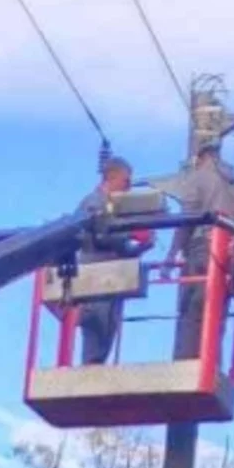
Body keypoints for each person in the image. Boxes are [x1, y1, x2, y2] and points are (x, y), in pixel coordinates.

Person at [148, 138, 234, 360]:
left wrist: (170, 257)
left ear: (200, 156)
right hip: (228, 259)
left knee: (191, 312)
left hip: (200, 252)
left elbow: (188, 219)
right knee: (216, 314)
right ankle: (211, 362)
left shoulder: (199, 178)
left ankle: (186, 363)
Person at [71, 156, 150, 365]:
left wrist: (141, 246)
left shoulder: (113, 208)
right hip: (94, 280)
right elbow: (101, 236)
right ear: (112, 177)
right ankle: (88, 377)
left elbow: (118, 247)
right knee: (96, 335)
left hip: (111, 281)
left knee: (106, 335)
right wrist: (130, 236)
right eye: (126, 181)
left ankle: (93, 372)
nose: (129, 187)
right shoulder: (93, 203)